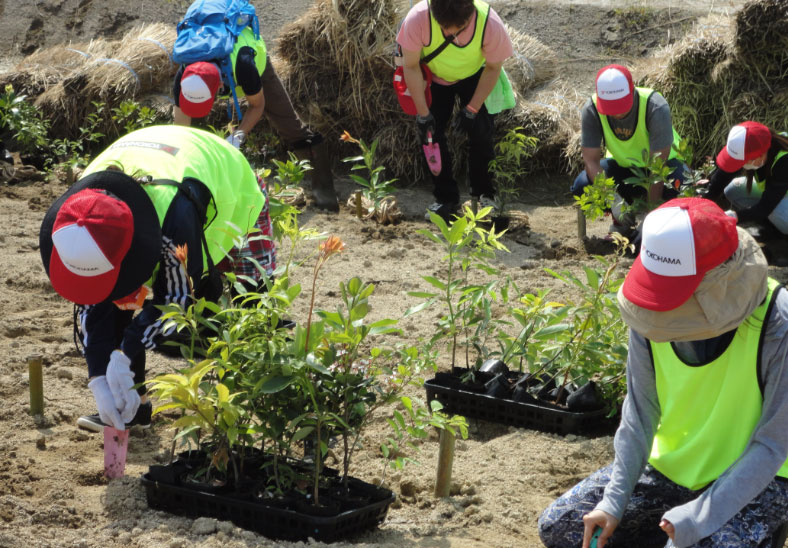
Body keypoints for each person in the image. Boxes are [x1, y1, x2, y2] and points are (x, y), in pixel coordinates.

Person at [538, 197, 788, 548]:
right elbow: (640, 414)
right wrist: (614, 501)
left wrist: (699, 516)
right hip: (674, 468)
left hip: (759, 478)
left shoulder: (778, 324)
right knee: (562, 527)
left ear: (720, 281)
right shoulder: (650, 311)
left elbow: (773, 443)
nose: (663, 313)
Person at [39, 124, 276, 432]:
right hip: (160, 167)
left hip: (229, 180)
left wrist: (124, 355)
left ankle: (246, 413)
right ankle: (132, 407)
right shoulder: (77, 216)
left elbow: (176, 302)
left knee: (251, 303)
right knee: (115, 298)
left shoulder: (173, 221)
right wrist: (99, 375)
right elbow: (92, 302)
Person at [172, 28, 339, 212]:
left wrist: (237, 138)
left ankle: (324, 194)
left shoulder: (245, 65)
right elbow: (181, 132)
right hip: (216, 70)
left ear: (220, 86)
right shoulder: (185, 77)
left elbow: (257, 106)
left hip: (254, 62)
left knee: (288, 123)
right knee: (193, 135)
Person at [396, 0, 513, 222]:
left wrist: (471, 109)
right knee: (431, 136)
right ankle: (445, 198)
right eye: (444, 28)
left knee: (481, 132)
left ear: (469, 16)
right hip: (434, 77)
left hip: (475, 74)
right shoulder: (417, 18)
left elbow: (493, 67)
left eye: (458, 29)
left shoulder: (489, 23)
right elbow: (410, 66)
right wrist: (423, 114)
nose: (451, 33)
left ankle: (485, 194)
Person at [572, 64, 687, 234]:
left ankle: (666, 225)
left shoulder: (654, 106)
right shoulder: (592, 109)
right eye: (611, 108)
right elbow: (591, 160)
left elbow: (658, 169)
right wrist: (612, 199)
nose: (617, 114)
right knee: (582, 185)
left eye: (621, 106)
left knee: (683, 188)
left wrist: (650, 216)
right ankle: (621, 221)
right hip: (625, 168)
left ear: (632, 90)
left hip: (664, 168)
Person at [703, 121, 788, 246]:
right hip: (777, 194)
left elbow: (765, 207)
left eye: (743, 161)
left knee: (774, 211)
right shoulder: (757, 145)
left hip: (778, 201)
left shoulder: (784, 161)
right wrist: (703, 203)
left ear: (760, 156)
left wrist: (734, 216)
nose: (741, 166)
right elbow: (722, 176)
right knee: (733, 189)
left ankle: (780, 237)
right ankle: (769, 225)